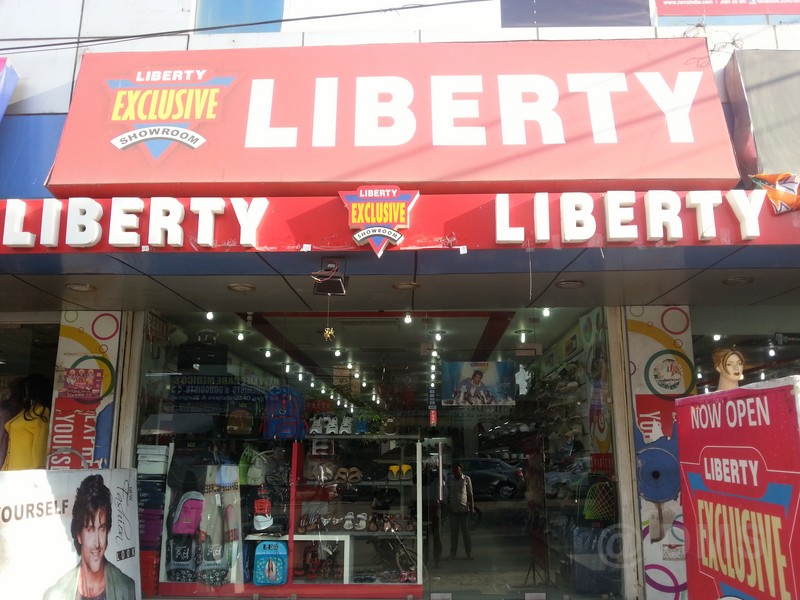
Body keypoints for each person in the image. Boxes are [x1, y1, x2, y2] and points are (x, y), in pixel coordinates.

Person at [43, 474, 136, 600]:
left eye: (102, 528)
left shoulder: (127, 588)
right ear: (79, 535)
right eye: (91, 530)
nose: (97, 543)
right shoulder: (55, 595)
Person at [2, 373, 52, 470]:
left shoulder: (41, 411)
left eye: (25, 389)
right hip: (12, 466)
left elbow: (41, 442)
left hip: (26, 468)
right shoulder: (26, 411)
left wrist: (39, 469)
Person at [444, 463, 474, 560]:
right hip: (453, 510)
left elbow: (470, 494)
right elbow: (446, 494)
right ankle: (453, 554)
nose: (456, 472)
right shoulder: (450, 479)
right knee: (454, 534)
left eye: (457, 470)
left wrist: (472, 508)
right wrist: (446, 507)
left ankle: (468, 553)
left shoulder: (466, 479)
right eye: (454, 470)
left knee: (466, 533)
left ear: (461, 470)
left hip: (464, 510)